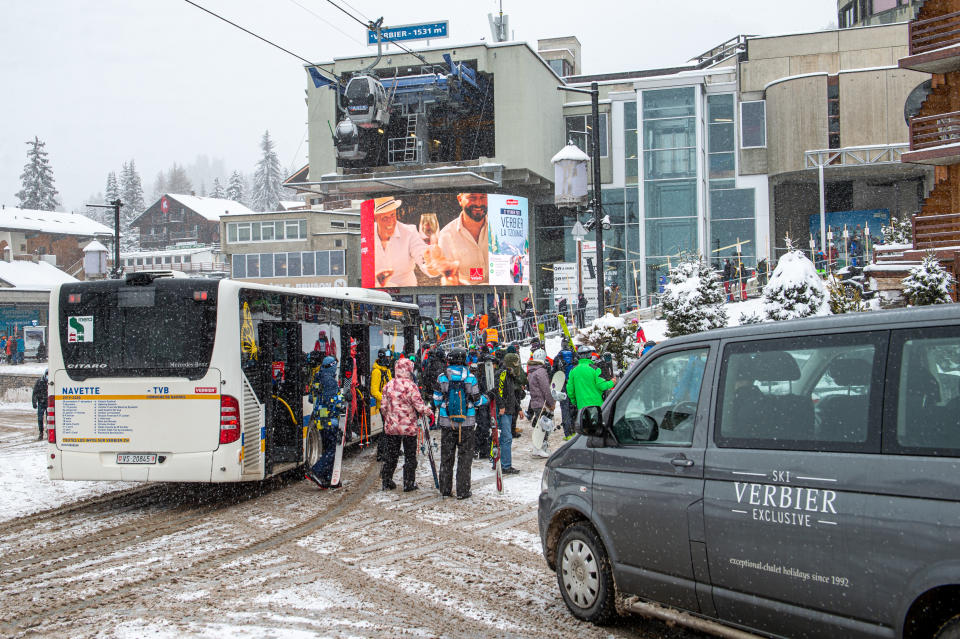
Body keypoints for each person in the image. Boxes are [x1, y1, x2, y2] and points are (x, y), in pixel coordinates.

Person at [433, 347, 487, 499]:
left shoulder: (442, 377)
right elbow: (477, 401)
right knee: (465, 457)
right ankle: (463, 490)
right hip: (467, 423)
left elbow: (436, 400)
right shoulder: (470, 377)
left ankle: (445, 488)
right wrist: (488, 397)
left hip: (447, 423)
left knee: (447, 457)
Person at [380, 357, 433, 492]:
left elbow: (383, 407)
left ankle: (387, 480)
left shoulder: (389, 385)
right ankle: (408, 482)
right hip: (408, 427)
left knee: (391, 454)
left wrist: (390, 418)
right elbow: (419, 405)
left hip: (392, 428)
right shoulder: (411, 386)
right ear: (409, 370)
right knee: (410, 456)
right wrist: (429, 412)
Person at [372, 197, 446, 287]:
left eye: (392, 215)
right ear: (376, 218)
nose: (390, 222)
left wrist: (431, 263)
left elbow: (421, 254)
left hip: (406, 293)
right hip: (376, 294)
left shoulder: (409, 232)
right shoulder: (366, 233)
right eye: (385, 218)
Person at [306, 356, 343, 489]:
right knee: (333, 449)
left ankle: (328, 478)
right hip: (329, 419)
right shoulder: (330, 381)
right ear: (332, 366)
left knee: (328, 448)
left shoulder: (318, 378)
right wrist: (342, 399)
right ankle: (317, 470)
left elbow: (311, 398)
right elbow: (331, 401)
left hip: (320, 418)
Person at [436, 192, 490, 285]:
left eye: (483, 197)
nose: (478, 203)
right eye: (472, 197)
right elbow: (451, 280)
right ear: (460, 199)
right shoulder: (446, 235)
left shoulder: (500, 228)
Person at [495, 351, 525, 475]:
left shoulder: (509, 375)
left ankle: (499, 462)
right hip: (504, 411)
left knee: (503, 438)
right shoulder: (502, 374)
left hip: (509, 409)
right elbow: (497, 391)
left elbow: (511, 394)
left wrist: (518, 408)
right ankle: (505, 465)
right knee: (506, 438)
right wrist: (501, 406)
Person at [567, 344, 616, 413]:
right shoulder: (595, 369)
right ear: (590, 355)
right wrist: (612, 382)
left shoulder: (573, 371)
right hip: (596, 405)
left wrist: (575, 401)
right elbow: (602, 386)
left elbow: (570, 390)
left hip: (581, 406)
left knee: (584, 423)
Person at [527, 349, 556, 457]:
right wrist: (551, 402)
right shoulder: (541, 371)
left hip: (535, 402)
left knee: (540, 425)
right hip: (542, 403)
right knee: (544, 426)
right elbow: (545, 389)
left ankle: (539, 447)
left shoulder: (531, 371)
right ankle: (540, 447)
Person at [551, 339, 577, 440]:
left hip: (563, 386)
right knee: (575, 407)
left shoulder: (558, 357)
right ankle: (576, 430)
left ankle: (568, 433)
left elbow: (554, 373)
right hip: (574, 385)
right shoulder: (575, 356)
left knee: (565, 409)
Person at [370, 348, 393, 459]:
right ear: (383, 357)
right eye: (388, 357)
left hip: (390, 403)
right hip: (383, 404)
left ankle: (389, 450)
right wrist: (384, 399)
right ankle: (381, 452)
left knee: (389, 427)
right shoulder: (377, 372)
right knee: (386, 428)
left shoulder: (387, 370)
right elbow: (374, 390)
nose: (389, 359)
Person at [32, 370, 48, 440]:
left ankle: (49, 432)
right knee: (40, 418)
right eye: (47, 374)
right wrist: (34, 402)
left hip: (49, 403)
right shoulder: (39, 381)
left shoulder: (52, 381)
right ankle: (41, 432)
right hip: (41, 402)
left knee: (50, 419)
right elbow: (35, 392)